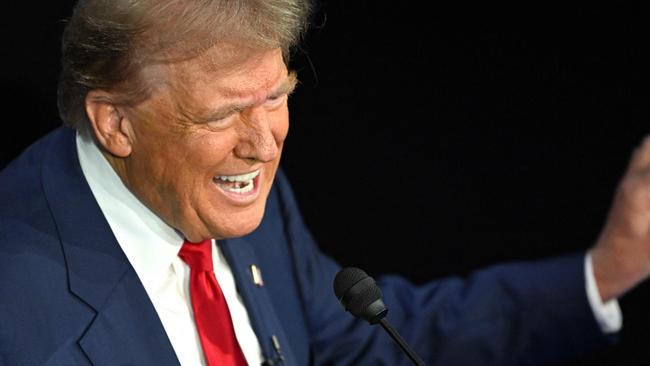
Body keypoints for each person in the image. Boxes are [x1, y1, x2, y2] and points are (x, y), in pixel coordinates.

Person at [0, 0, 649, 365]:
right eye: (224, 112)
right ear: (115, 123)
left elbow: (358, 342)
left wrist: (605, 270)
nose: (262, 145)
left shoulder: (240, 195)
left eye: (276, 96)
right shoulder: (19, 311)